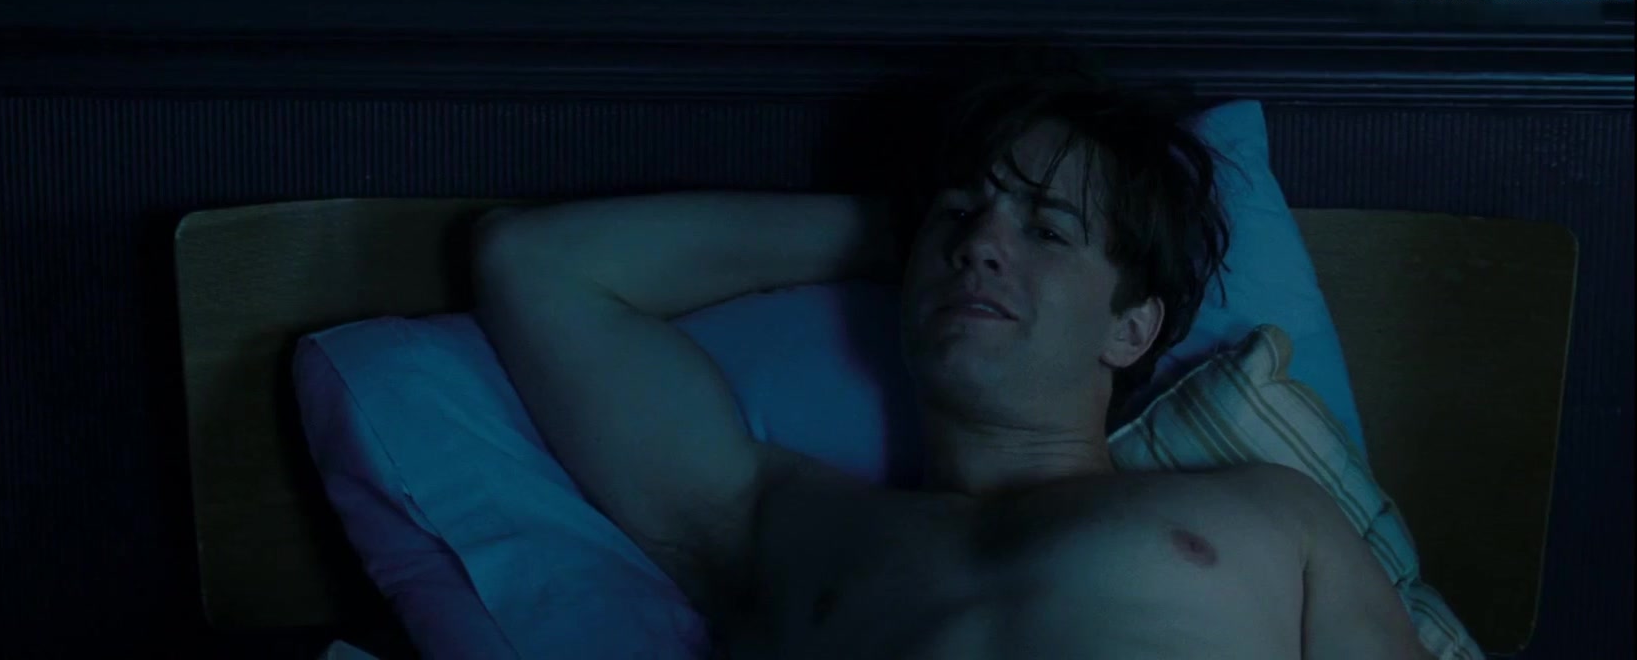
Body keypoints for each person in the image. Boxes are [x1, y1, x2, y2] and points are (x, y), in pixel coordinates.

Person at [471, 72, 1433, 659]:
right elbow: (534, 266)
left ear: (1130, 329)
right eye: (962, 214)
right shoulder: (780, 524)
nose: (981, 245)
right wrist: (904, 235)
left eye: (1048, 229)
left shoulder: (1275, 516)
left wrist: (958, 228)